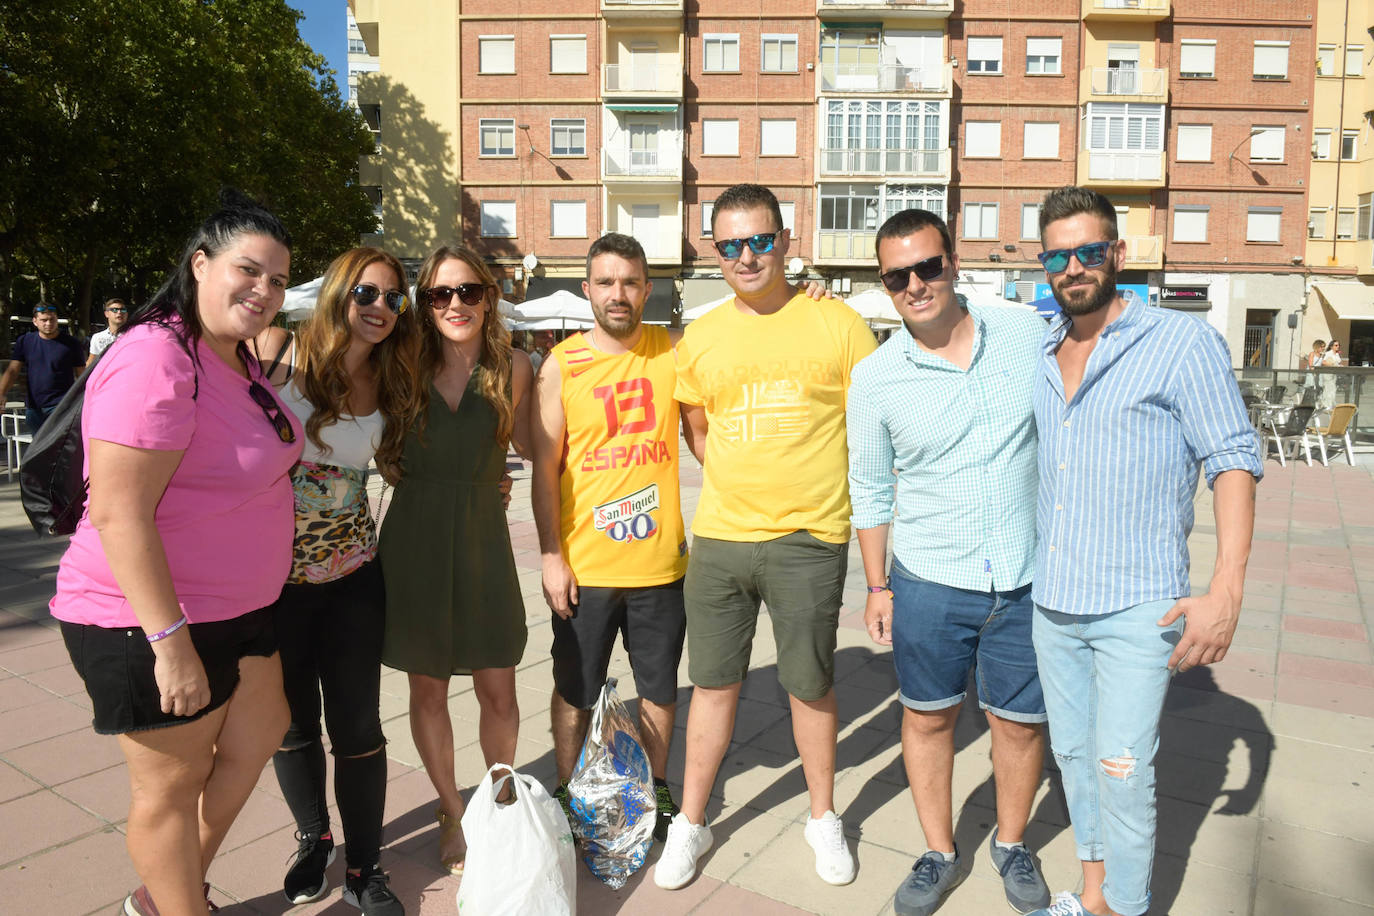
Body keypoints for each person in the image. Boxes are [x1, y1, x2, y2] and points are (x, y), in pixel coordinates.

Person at [48, 192, 303, 916]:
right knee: (170, 789)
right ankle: (175, 901)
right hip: (149, 617)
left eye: (279, 281)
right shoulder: (156, 357)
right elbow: (119, 511)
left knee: (260, 734)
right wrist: (169, 642)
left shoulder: (231, 355)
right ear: (199, 264)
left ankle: (167, 893)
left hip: (240, 609)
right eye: (248, 271)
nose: (264, 291)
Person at [1026, 187, 1261, 916]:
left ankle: (1125, 906)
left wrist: (1225, 591)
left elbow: (1232, 460)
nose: (1074, 267)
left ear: (1118, 256)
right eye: (1058, 255)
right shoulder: (1040, 346)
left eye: (1089, 252)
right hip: (1054, 600)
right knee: (1074, 763)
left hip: (1138, 602)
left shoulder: (1181, 343)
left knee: (1122, 770)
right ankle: (1093, 895)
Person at [654, 183, 877, 890]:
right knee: (712, 686)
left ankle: (822, 816)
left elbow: (870, 428)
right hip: (720, 539)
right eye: (731, 245)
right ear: (714, 251)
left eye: (759, 240)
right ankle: (692, 822)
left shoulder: (837, 322)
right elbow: (697, 428)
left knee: (809, 685)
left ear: (785, 239)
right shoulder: (704, 334)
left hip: (809, 537)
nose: (747, 256)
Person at [847, 209, 1051, 916]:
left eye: (927, 267)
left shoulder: (1027, 333)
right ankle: (939, 850)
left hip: (1026, 579)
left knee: (1021, 725)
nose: (915, 285)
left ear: (953, 262)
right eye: (896, 276)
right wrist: (876, 585)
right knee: (929, 718)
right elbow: (869, 489)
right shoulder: (875, 379)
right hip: (929, 581)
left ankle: (1013, 842)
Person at [254, 248, 421, 914]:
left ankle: (364, 868)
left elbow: (416, 464)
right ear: (337, 294)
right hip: (271, 583)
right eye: (367, 294)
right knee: (291, 723)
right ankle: (311, 838)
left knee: (358, 727)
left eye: (393, 298)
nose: (381, 308)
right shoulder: (277, 352)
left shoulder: (394, 378)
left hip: (353, 576)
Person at [379, 244, 533, 874]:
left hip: (481, 542)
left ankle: (499, 793)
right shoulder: (400, 368)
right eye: (439, 295)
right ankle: (449, 807)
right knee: (429, 689)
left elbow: (543, 448)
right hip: (413, 540)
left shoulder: (515, 367)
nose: (454, 304)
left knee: (498, 686)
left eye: (468, 291)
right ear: (424, 304)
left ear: (489, 298)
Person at [530, 232, 687, 839]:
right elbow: (543, 469)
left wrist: (807, 298)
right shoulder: (562, 363)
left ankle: (656, 795)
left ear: (647, 288)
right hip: (585, 569)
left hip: (658, 568)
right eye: (605, 282)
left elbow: (751, 335)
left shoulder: (673, 351)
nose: (617, 294)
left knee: (658, 691)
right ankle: (573, 796)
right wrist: (551, 556)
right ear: (588, 289)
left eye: (629, 282)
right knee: (575, 691)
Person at [0, 302, 87, 433]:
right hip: (34, 407)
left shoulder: (71, 343)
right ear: (35, 321)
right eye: (44, 320)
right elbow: (12, 370)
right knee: (38, 448)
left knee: (58, 448)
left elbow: (81, 374)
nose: (48, 323)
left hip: (62, 405)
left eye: (52, 319)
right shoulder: (25, 341)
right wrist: (1, 394)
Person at [88, 298, 130, 364]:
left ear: (127, 314)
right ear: (106, 314)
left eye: (123, 310)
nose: (119, 312)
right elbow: (91, 363)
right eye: (115, 310)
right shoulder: (97, 337)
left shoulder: (134, 336)